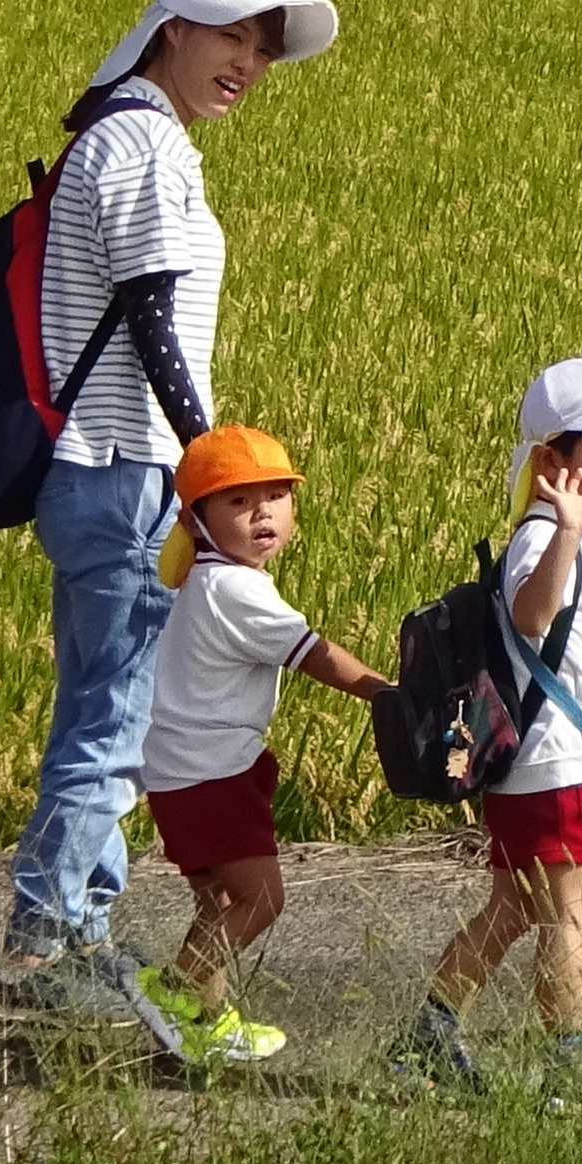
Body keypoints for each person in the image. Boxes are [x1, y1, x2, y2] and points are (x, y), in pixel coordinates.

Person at [0, 0, 342, 1023]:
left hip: (102, 472)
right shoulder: (146, 145)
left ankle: (81, 928)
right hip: (126, 469)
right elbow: (151, 313)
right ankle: (41, 948)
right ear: (173, 28)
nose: (249, 63)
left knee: (109, 710)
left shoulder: (116, 133)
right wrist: (207, 464)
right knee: (113, 720)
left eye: (263, 48)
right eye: (232, 35)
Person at [407, 356, 582, 1089]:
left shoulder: (578, 537)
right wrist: (568, 535)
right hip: (555, 763)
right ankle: (567, 1076)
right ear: (551, 462)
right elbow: (531, 614)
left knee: (515, 908)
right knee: (565, 919)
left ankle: (428, 1032)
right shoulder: (547, 536)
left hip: (549, 763)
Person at [126, 425, 385, 1069]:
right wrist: (388, 695)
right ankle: (173, 990)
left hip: (181, 772)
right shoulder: (234, 590)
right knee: (261, 899)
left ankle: (203, 1024)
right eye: (239, 501)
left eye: (275, 495)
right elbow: (313, 654)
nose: (262, 512)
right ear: (198, 521)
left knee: (218, 902)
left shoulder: (209, 580)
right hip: (209, 774)